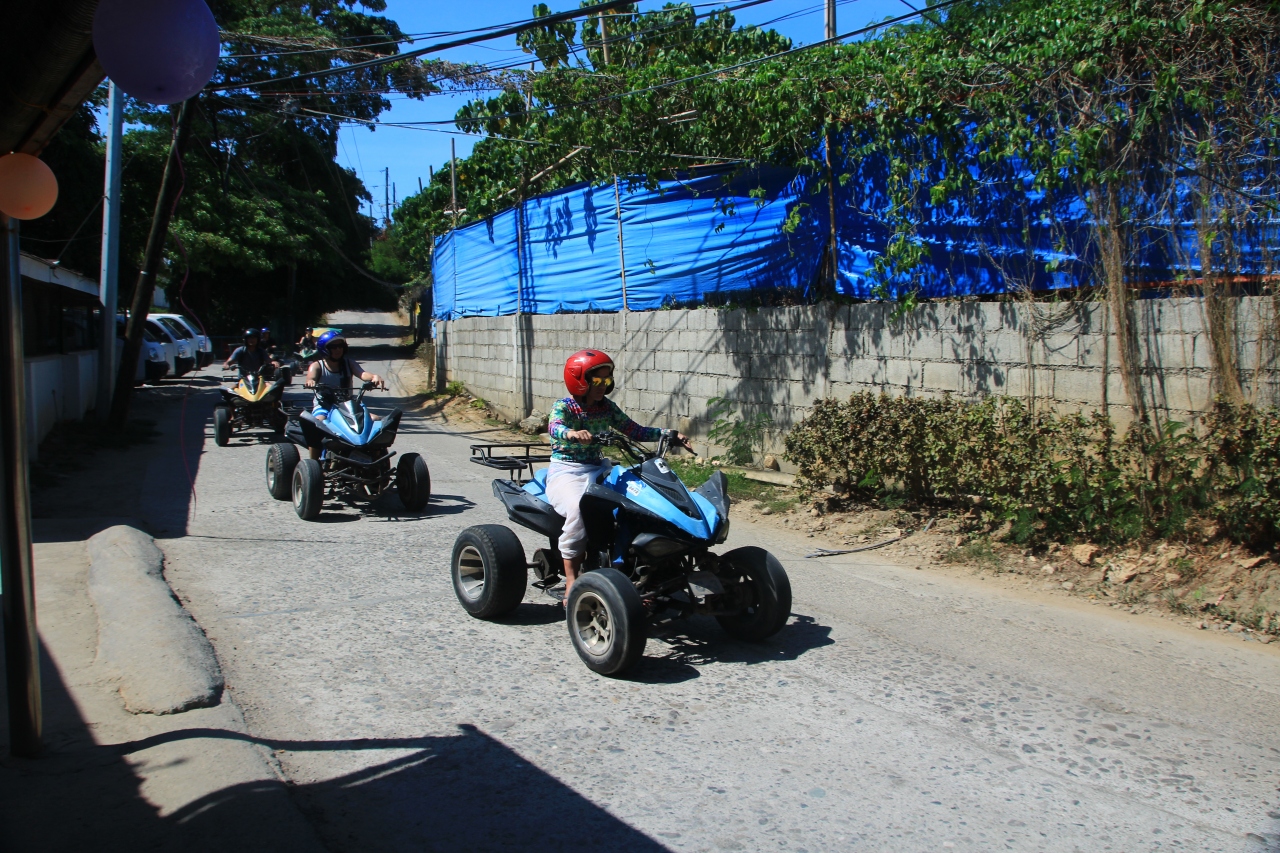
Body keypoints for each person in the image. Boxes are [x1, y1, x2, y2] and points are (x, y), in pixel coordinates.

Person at [546, 349, 688, 601]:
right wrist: (571, 433)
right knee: (578, 510)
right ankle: (571, 580)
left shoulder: (607, 407)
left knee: (639, 502)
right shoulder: (564, 407)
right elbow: (554, 426)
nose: (603, 385)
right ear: (580, 381)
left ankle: (630, 563)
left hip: (600, 468)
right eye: (596, 380)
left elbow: (635, 430)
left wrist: (669, 434)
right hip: (567, 471)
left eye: (606, 379)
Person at [301, 331, 385, 459]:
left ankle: (376, 458)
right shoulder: (317, 366)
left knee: (375, 420)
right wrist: (311, 382)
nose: (338, 349)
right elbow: (310, 378)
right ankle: (314, 462)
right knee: (318, 423)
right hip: (324, 406)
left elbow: (362, 374)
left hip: (348, 406)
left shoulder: (349, 363)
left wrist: (374, 377)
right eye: (333, 347)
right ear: (324, 349)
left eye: (340, 346)